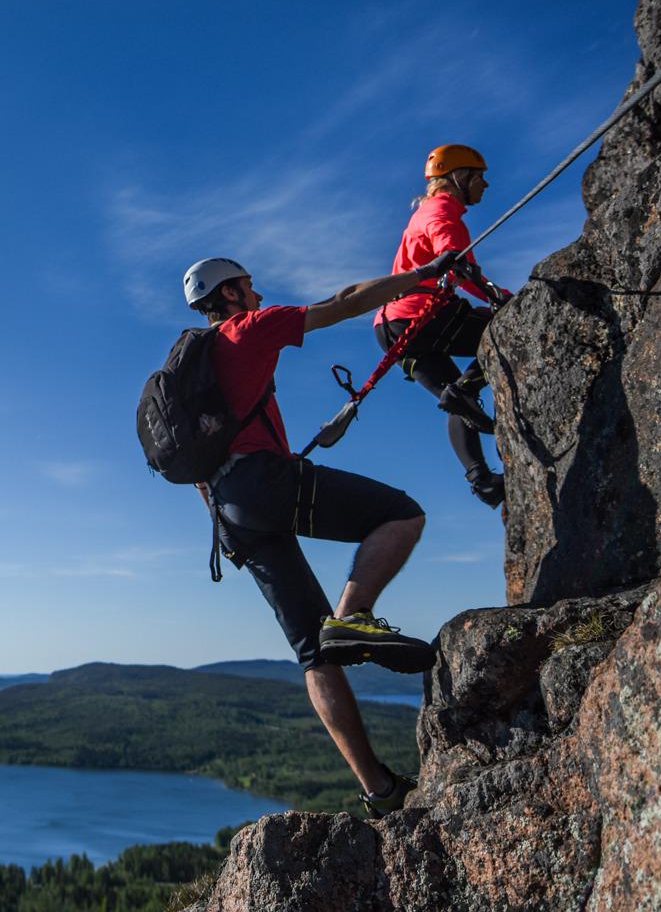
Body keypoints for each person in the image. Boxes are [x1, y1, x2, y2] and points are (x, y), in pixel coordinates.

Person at [180, 251, 461, 818]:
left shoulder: (192, 368)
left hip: (227, 510)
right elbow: (343, 302)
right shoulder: (249, 328)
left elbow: (190, 462)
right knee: (402, 514)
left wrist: (230, 512)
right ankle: (353, 615)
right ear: (230, 295)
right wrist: (421, 277)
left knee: (313, 655)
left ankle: (379, 791)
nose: (258, 294)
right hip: (262, 482)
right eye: (249, 287)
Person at [374, 145, 515, 509]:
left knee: (456, 402)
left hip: (392, 328)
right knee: (509, 330)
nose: (485, 184)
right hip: (420, 315)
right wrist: (503, 299)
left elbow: (460, 269)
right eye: (479, 176)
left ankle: (482, 481)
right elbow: (450, 253)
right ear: (458, 178)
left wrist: (490, 291)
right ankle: (465, 389)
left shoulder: (424, 212)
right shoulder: (440, 209)